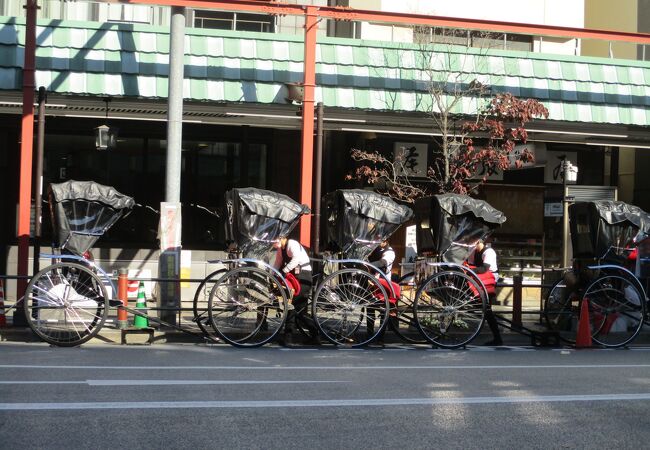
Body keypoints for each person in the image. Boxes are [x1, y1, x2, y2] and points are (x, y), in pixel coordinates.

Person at [273, 237, 320, 345]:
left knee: (293, 306)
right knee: (299, 310)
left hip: (303, 276)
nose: (273, 242)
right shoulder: (281, 249)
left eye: (275, 239)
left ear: (282, 237)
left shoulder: (292, 244)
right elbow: (277, 263)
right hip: (295, 277)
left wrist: (284, 271)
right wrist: (272, 274)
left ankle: (288, 338)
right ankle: (315, 335)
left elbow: (296, 259)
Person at [467, 238, 503, 346]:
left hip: (490, 278)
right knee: (486, 310)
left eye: (472, 243)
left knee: (487, 309)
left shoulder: (489, 252)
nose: (471, 245)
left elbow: (484, 269)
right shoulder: (474, 252)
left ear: (478, 242)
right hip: (480, 278)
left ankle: (497, 338)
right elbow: (471, 265)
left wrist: (468, 270)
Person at [367, 240, 399, 345]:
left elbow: (383, 262)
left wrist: (368, 265)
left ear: (386, 241)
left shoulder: (389, 252)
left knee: (383, 311)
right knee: (370, 309)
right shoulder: (374, 250)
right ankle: (369, 335)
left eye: (381, 240)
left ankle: (380, 337)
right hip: (372, 283)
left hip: (384, 284)